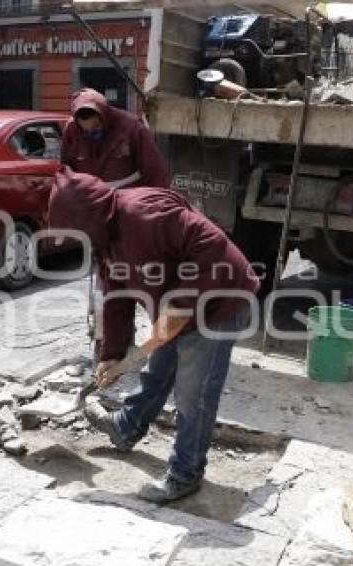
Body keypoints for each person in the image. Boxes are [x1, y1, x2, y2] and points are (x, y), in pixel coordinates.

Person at [48, 168, 259, 503]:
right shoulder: (106, 237)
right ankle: (126, 427)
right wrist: (112, 354)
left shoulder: (145, 213)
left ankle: (185, 475)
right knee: (157, 370)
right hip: (179, 307)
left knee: (193, 395)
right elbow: (116, 296)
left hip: (220, 302)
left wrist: (178, 309)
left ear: (89, 216)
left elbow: (213, 247)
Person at [61, 88, 170, 190]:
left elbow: (155, 170)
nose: (92, 133)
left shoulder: (131, 128)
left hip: (128, 196)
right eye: (86, 131)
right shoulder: (72, 130)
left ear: (105, 116)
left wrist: (161, 201)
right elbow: (66, 169)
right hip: (92, 199)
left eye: (96, 127)